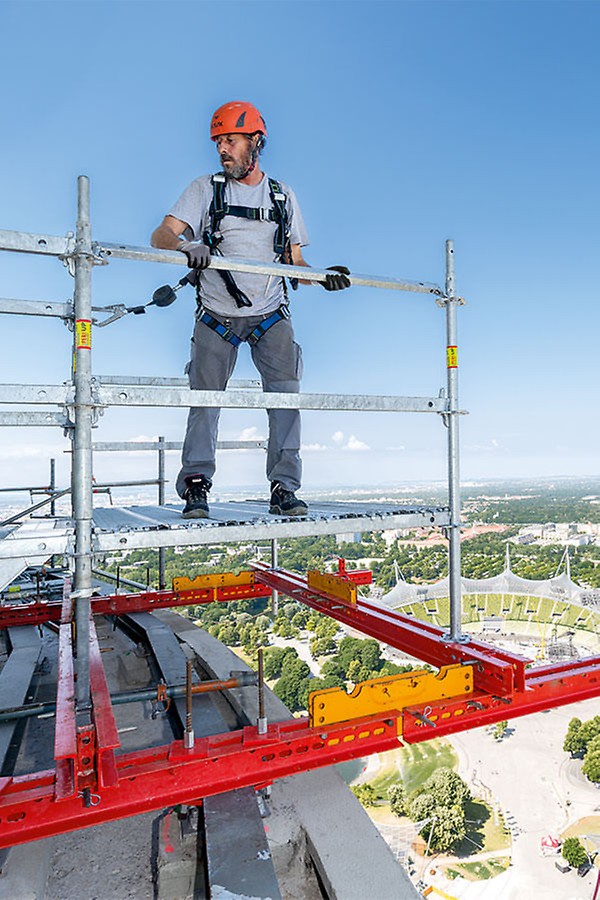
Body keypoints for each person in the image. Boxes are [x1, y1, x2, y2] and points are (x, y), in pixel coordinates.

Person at [151, 101, 350, 520]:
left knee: (285, 400)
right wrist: (189, 245)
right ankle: (196, 485)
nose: (223, 150)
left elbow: (294, 266)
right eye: (219, 142)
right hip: (216, 316)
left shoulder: (282, 196)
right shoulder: (205, 189)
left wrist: (324, 278)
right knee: (205, 402)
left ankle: (284, 487)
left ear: (256, 143)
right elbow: (161, 235)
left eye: (232, 140)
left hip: (271, 313)